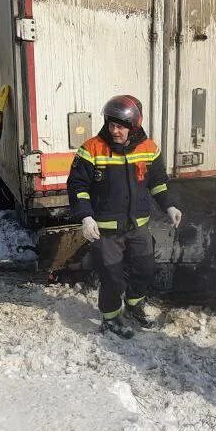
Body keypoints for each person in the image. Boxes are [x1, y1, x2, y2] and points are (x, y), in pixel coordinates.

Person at [67, 95, 182, 339]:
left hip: (138, 226)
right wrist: (86, 217)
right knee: (111, 276)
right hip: (106, 230)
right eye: (111, 125)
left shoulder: (149, 148)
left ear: (134, 126)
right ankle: (110, 318)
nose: (114, 130)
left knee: (145, 268)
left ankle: (133, 305)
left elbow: (158, 183)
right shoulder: (92, 149)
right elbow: (77, 186)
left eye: (120, 126)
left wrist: (169, 206)